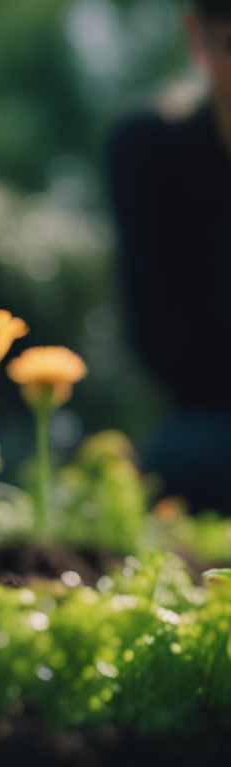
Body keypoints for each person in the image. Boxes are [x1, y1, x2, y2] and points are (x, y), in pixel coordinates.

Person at [106, 0, 231, 514]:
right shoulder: (149, 150)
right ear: (197, 38)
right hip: (212, 421)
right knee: (182, 457)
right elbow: (161, 339)